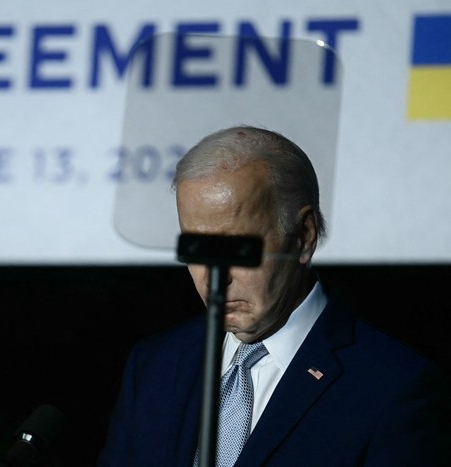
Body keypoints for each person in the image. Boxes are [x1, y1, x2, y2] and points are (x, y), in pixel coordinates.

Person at [97, 125, 450, 466]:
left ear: (303, 235)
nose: (215, 277)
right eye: (198, 247)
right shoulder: (154, 366)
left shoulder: (394, 388)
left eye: (238, 248)